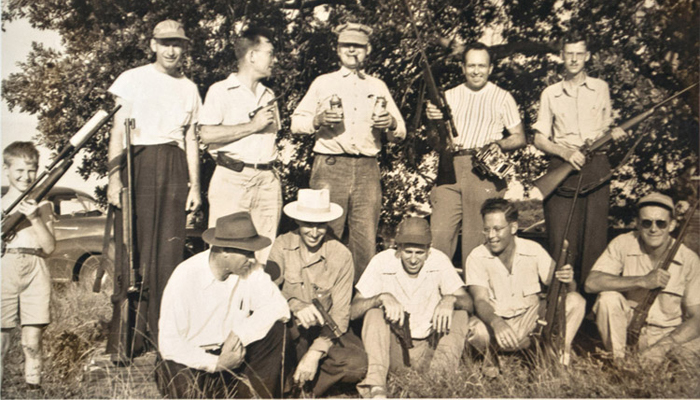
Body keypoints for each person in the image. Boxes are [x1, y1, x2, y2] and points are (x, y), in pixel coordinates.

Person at [106, 19, 202, 357]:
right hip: (138, 164)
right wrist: (114, 176)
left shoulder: (189, 88)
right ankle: (124, 341)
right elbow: (119, 129)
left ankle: (162, 338)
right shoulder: (132, 79)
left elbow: (191, 138)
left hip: (175, 167)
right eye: (165, 43)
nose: (172, 50)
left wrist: (195, 187)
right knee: (133, 250)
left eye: (177, 43)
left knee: (167, 254)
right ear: (153, 45)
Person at [291, 22, 407, 281]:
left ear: (368, 50)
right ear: (337, 49)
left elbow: (401, 132)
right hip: (330, 166)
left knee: (364, 240)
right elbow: (296, 123)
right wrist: (318, 119)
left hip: (367, 168)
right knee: (323, 234)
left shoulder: (378, 86)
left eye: (358, 46)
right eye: (346, 45)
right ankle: (319, 300)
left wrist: (391, 123)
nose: (352, 50)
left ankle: (358, 307)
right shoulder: (323, 82)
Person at [157, 212, 290, 398]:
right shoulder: (186, 276)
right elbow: (170, 344)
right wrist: (216, 363)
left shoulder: (250, 268)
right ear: (225, 251)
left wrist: (240, 334)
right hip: (193, 360)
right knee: (179, 374)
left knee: (276, 331)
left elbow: (278, 308)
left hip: (233, 355)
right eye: (247, 252)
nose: (253, 259)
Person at [532, 30, 627, 287]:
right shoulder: (550, 93)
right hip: (562, 167)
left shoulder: (601, 89)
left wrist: (616, 135)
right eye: (569, 54)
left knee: (594, 241)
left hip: (596, 168)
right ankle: (559, 306)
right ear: (561, 56)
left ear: (587, 56)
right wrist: (565, 152)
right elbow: (539, 139)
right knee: (561, 241)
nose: (574, 59)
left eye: (579, 54)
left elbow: (607, 131)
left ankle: (589, 310)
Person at [426, 42, 526, 269]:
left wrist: (497, 144)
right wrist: (432, 120)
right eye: (471, 65)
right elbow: (434, 141)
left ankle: (477, 297)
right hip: (449, 167)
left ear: (490, 68)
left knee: (477, 239)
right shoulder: (448, 96)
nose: (476, 71)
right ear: (463, 68)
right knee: (439, 235)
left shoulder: (502, 97)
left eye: (482, 65)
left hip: (483, 171)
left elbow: (519, 137)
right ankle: (435, 294)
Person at [350, 217, 471, 398]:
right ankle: (376, 388)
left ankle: (438, 382)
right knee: (374, 313)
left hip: (431, 348)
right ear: (398, 248)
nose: (413, 259)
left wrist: (450, 299)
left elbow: (468, 302)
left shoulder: (439, 260)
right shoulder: (381, 261)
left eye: (419, 252)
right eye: (408, 251)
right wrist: (381, 298)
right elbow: (353, 311)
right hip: (395, 350)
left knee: (460, 315)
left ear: (428, 250)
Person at [266, 189, 367, 396]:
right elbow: (267, 291)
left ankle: (305, 387)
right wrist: (294, 305)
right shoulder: (281, 245)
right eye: (307, 224)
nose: (314, 232)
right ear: (297, 222)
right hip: (290, 326)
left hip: (326, 331)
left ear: (328, 224)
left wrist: (315, 351)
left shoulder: (341, 255)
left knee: (356, 364)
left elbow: (340, 314)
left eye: (320, 225)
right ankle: (290, 385)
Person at [465, 198, 585, 367]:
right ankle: (491, 360)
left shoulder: (533, 250)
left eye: (497, 229)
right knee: (476, 332)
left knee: (576, 301)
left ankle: (559, 357)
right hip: (496, 324)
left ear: (513, 227)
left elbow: (562, 289)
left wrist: (569, 280)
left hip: (531, 324)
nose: (491, 236)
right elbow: (480, 300)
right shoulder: (476, 256)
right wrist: (496, 322)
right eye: (487, 230)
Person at [585, 193, 700, 362]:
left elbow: (697, 316)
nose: (653, 229)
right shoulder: (623, 243)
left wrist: (663, 347)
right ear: (638, 224)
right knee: (607, 298)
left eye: (661, 223)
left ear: (672, 225)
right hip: (627, 332)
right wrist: (641, 281)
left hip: (667, 336)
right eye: (647, 223)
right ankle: (619, 363)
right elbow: (591, 283)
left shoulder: (689, 259)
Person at [199, 27, 281, 263]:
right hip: (232, 180)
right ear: (252, 55)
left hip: (267, 182)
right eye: (270, 53)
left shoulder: (269, 95)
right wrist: (253, 125)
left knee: (265, 254)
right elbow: (206, 135)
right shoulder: (220, 91)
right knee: (227, 254)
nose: (274, 60)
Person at [1, 142, 56, 391]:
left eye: (31, 170)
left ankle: (33, 388)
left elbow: (49, 247)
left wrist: (34, 217)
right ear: (6, 169)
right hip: (5, 268)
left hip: (36, 269)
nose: (26, 176)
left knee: (32, 342)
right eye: (19, 170)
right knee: (1, 342)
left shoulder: (43, 206)